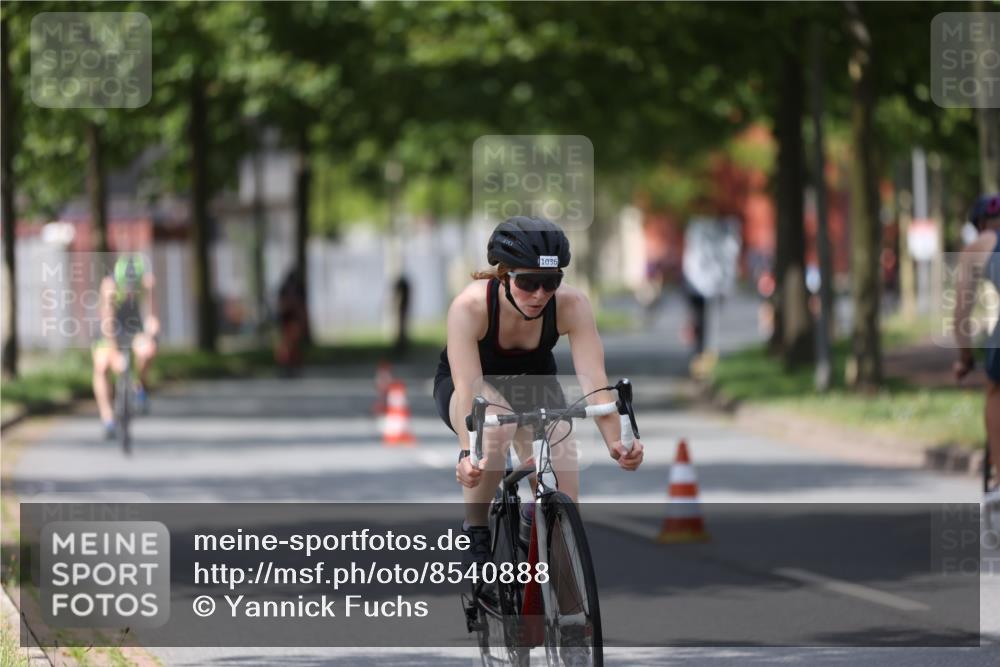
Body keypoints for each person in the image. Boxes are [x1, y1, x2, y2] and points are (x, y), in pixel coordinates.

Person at [433, 216, 645, 566]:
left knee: (561, 458)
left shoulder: (572, 305)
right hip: (470, 389)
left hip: (534, 386)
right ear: (503, 275)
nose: (540, 295)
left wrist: (617, 443)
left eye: (550, 282)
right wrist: (469, 454)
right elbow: (471, 392)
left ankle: (561, 600)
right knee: (496, 423)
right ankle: (476, 531)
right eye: (529, 282)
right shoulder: (469, 308)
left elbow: (594, 380)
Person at [953, 194, 1000, 506]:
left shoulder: (979, 247)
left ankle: (999, 480)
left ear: (981, 224)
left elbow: (961, 314)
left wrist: (965, 358)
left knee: (996, 389)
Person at [92, 253, 159, 439]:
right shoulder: (109, 287)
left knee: (147, 351)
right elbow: (108, 325)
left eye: (133, 287)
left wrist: (151, 334)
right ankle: (108, 419)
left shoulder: (148, 284)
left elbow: (152, 317)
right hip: (110, 329)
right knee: (102, 365)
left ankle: (141, 388)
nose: (130, 291)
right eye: (127, 287)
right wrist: (116, 356)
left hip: (134, 326)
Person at [275, 268, 307, 376]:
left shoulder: (292, 289)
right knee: (288, 344)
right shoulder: (290, 289)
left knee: (291, 344)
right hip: (289, 319)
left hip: (291, 319)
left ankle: (291, 364)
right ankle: (287, 364)